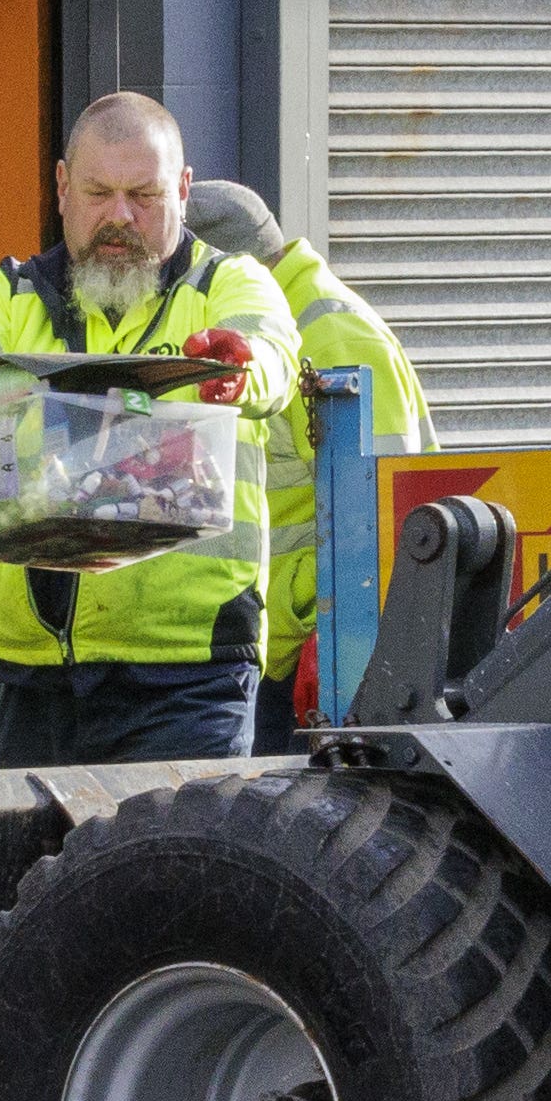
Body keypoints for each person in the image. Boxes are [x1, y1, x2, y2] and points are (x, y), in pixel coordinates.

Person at [0, 94, 299, 768]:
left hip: (188, 679)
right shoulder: (7, 291)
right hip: (29, 681)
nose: (119, 215)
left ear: (182, 189)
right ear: (62, 187)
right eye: (98, 192)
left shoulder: (230, 282)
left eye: (142, 195)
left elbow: (272, 351)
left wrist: (238, 368)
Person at [182, 180, 430, 746]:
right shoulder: (286, 324)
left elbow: (390, 506)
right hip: (281, 645)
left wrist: (343, 640)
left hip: (322, 656)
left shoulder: (327, 332)